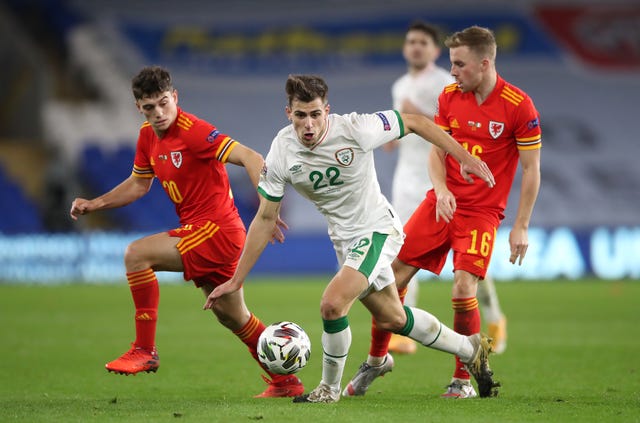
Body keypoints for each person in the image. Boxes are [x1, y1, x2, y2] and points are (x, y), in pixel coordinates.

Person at [204, 74, 500, 403]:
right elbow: (265, 217)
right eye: (300, 115)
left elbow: (415, 122)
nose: (309, 125)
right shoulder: (281, 150)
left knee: (332, 304)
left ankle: (328, 390)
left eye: (316, 114)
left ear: (327, 111)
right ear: (288, 113)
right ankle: (469, 347)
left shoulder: (356, 128)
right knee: (393, 317)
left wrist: (463, 156)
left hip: (377, 229)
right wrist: (236, 280)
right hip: (344, 241)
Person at [69, 65, 304, 398]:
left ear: (175, 97)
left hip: (216, 230)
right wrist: (96, 203)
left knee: (137, 254)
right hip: (204, 231)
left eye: (164, 103)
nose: (159, 113)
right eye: (149, 107)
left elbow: (251, 157)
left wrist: (269, 205)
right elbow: (139, 184)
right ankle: (286, 381)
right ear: (139, 108)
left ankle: (144, 349)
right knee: (233, 317)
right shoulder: (147, 137)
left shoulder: (194, 131)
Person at [345, 25, 541, 399]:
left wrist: (522, 225)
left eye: (459, 64)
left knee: (464, 286)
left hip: (482, 212)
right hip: (441, 203)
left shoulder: (519, 106)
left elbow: (531, 169)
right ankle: (376, 360)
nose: (452, 72)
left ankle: (462, 380)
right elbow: (438, 151)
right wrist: (441, 189)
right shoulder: (449, 97)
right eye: (451, 63)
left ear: (484, 64)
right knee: (390, 279)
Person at [385, 21, 508, 355]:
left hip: (447, 181)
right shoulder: (400, 85)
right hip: (407, 180)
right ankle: (400, 329)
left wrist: (417, 114)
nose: (415, 47)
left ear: (434, 50)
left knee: (468, 268)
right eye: (411, 41)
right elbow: (405, 125)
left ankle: (495, 316)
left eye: (423, 42)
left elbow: (449, 131)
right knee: (404, 254)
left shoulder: (447, 81)